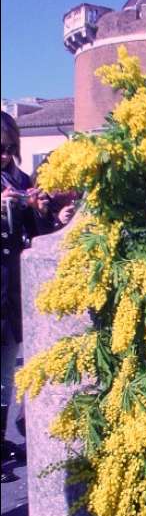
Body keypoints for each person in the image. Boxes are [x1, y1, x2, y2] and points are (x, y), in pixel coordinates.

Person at [1, 111, 53, 482]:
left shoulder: (19, 179)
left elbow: (37, 233)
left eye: (8, 149)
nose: (3, 155)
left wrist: (40, 209)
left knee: (6, 376)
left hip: (10, 294)